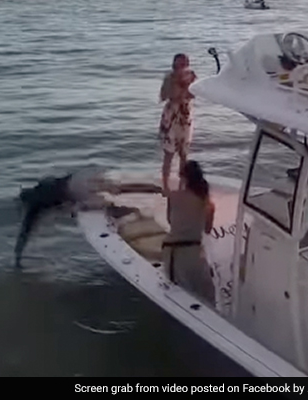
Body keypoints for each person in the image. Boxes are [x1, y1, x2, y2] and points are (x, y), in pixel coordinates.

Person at [14, 166, 163, 268]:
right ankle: (156, 190)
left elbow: (26, 230)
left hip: (80, 188)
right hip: (83, 176)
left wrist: (17, 257)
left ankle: (148, 197)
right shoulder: (47, 184)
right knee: (117, 191)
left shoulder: (38, 204)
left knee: (107, 201)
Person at [162, 160, 216, 305]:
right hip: (196, 254)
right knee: (208, 298)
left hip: (175, 252)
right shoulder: (208, 203)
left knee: (180, 298)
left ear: (184, 178)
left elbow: (170, 221)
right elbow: (207, 229)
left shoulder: (173, 197)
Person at [159, 53, 197, 195]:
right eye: (179, 64)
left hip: (185, 117)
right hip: (171, 117)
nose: (182, 66)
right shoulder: (169, 77)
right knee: (168, 154)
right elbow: (163, 96)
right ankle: (165, 186)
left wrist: (185, 86)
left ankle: (182, 185)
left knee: (184, 154)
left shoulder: (192, 76)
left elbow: (194, 94)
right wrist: (175, 84)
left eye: (185, 63)